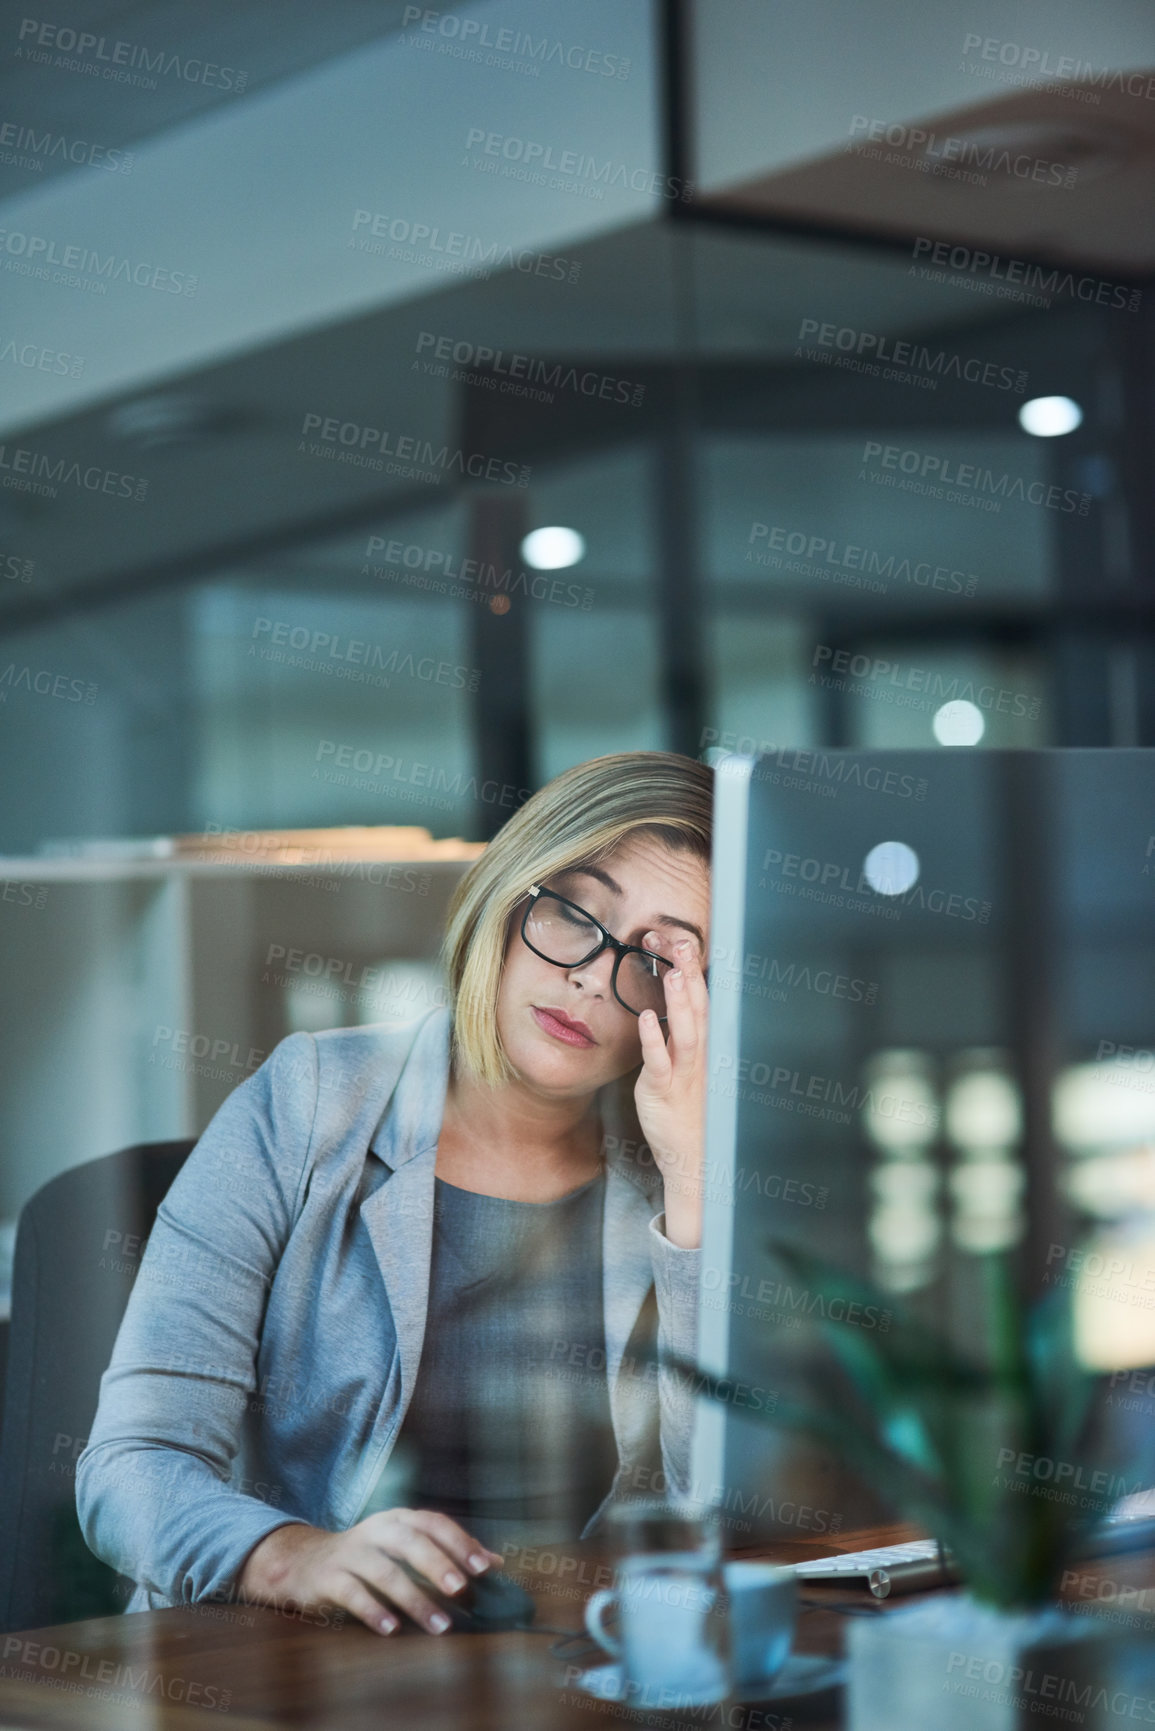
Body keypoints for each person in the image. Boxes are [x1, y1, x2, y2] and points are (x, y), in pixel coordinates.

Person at [76, 750, 712, 1636]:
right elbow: (129, 1467)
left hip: (580, 1662)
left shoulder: (688, 1177)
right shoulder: (306, 1100)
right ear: (509, 890)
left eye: (656, 961)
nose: (592, 977)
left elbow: (729, 1513)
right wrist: (299, 1554)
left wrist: (691, 1180)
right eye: (574, 912)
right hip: (307, 1659)